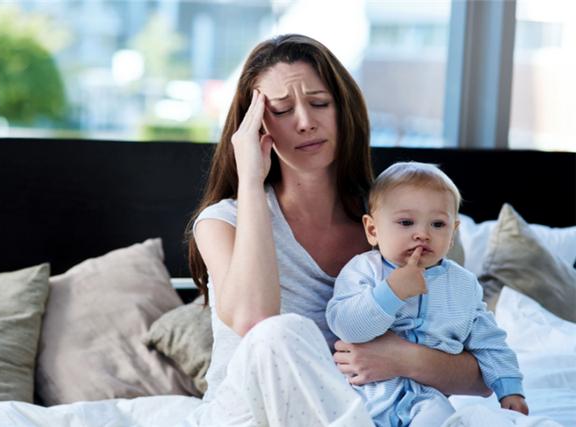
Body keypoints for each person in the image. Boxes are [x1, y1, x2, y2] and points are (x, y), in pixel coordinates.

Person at [184, 34, 491, 427]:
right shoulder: (222, 222)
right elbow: (254, 319)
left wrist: (401, 358)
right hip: (249, 416)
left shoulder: (402, 225)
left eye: (319, 103)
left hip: (363, 413)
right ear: (256, 125)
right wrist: (249, 179)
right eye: (281, 109)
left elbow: (482, 374)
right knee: (277, 334)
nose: (305, 122)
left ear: (343, 109)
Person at [326, 161, 529, 427]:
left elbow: (489, 341)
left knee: (443, 419)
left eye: (437, 224)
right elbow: (346, 326)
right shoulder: (364, 270)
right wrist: (392, 292)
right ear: (373, 230)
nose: (422, 234)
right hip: (363, 395)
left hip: (427, 398)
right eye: (406, 222)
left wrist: (510, 387)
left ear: (453, 233)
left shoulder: (462, 284)